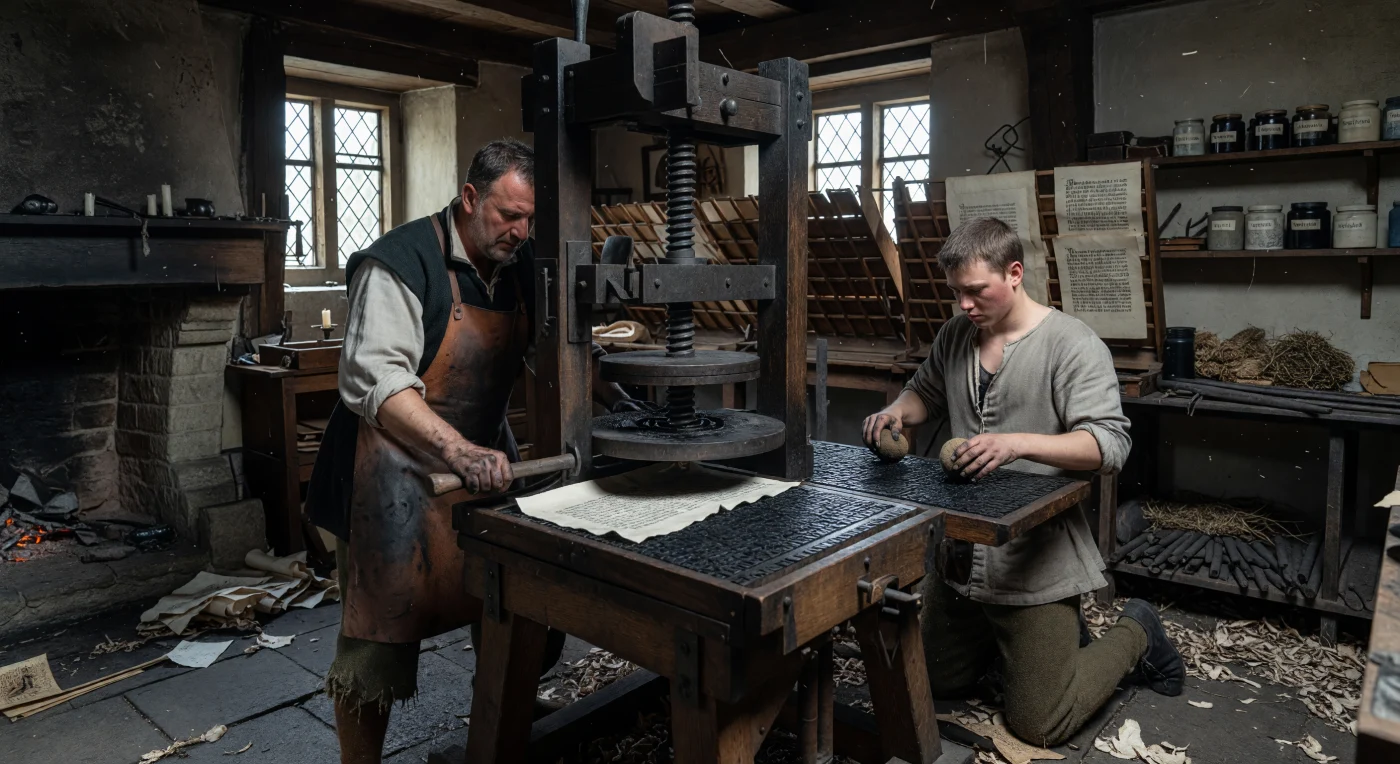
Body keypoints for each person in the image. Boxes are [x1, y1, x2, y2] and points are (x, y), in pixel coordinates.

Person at [307, 139, 638, 764]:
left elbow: (564, 349)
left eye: (530, 219)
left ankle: (504, 715)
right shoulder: (400, 264)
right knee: (379, 638)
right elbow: (375, 380)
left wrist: (623, 402)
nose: (520, 231)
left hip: (481, 459)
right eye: (508, 215)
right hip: (388, 469)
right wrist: (458, 452)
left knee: (508, 595)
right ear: (469, 198)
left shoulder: (522, 267)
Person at [860, 217, 1183, 747]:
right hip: (963, 552)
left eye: (975, 291)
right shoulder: (957, 334)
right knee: (935, 680)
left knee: (1040, 723)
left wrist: (1017, 442)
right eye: (956, 293)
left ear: (1014, 273)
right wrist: (896, 413)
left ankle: (1137, 632)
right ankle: (1012, 648)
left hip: (1036, 558)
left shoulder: (1072, 345)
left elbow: (1108, 445)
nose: (964, 305)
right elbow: (925, 391)